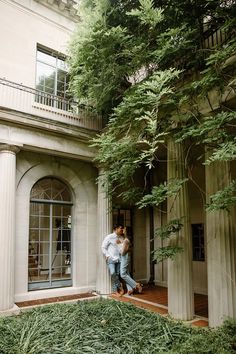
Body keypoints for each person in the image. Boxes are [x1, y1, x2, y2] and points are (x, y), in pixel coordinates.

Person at [101, 224, 125, 296]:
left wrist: (120, 244)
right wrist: (107, 255)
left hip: (119, 259)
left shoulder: (121, 238)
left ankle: (115, 291)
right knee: (113, 273)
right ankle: (120, 286)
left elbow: (121, 250)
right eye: (121, 228)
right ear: (116, 229)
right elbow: (103, 247)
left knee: (117, 274)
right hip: (111, 259)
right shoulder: (109, 237)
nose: (122, 230)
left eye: (122, 229)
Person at [118, 229, 143, 296]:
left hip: (124, 257)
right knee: (127, 274)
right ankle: (130, 290)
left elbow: (123, 252)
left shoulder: (126, 240)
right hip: (124, 258)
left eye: (124, 229)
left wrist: (118, 247)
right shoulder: (125, 239)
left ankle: (136, 285)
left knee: (123, 274)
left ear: (126, 232)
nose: (123, 230)